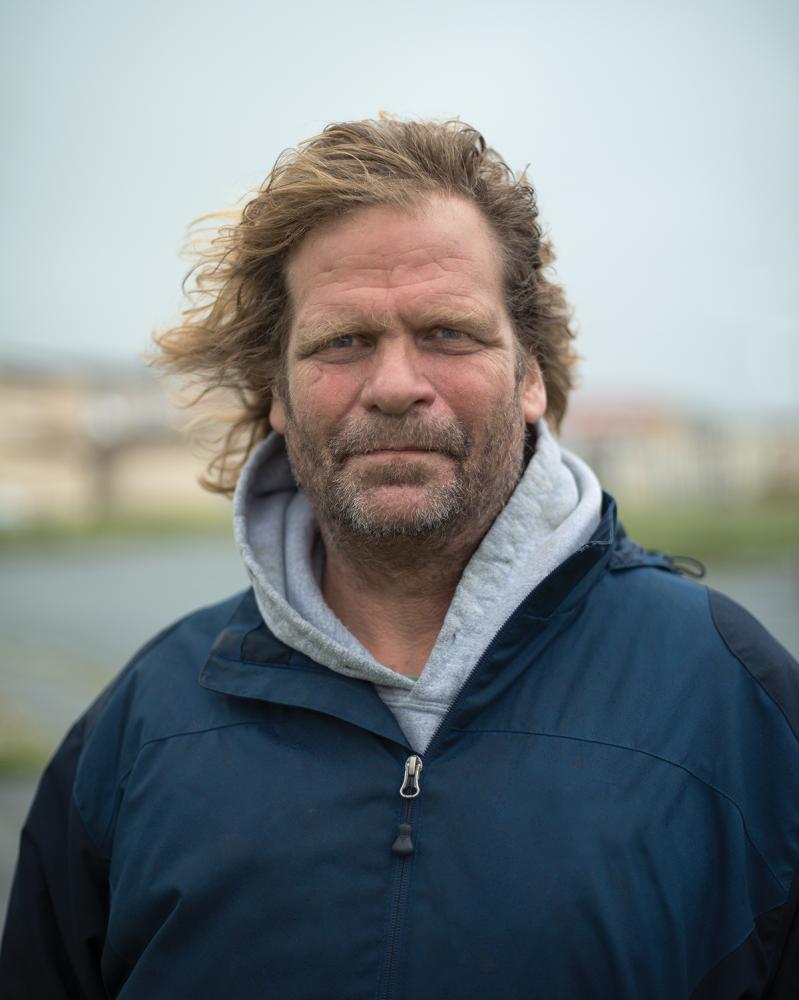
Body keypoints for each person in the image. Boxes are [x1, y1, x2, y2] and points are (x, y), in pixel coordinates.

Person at [2, 118, 798, 1000]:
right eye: (341, 341)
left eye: (448, 333)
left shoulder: (735, 701)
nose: (392, 385)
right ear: (278, 392)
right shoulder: (142, 723)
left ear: (530, 374)